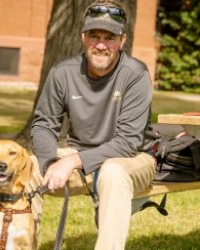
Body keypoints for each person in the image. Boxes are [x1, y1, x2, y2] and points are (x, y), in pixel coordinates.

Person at [31, 0, 156, 249]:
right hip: (82, 158)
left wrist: (70, 162)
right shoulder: (62, 73)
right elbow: (44, 124)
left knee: (112, 172)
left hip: (132, 157)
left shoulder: (136, 74)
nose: (101, 45)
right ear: (83, 37)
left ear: (122, 41)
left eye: (110, 37)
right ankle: (19, 243)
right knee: (26, 167)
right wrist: (50, 162)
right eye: (94, 36)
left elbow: (127, 143)